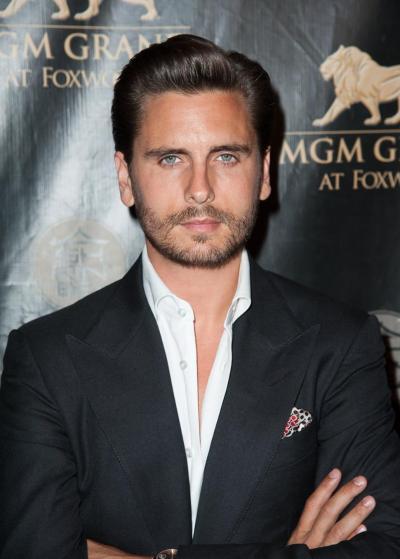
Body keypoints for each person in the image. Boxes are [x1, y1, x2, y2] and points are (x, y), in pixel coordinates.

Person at [1, 34, 400, 559]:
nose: (200, 189)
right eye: (171, 158)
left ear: (264, 173)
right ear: (125, 178)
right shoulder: (46, 358)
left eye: (226, 157)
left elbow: (383, 546)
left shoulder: (341, 344)